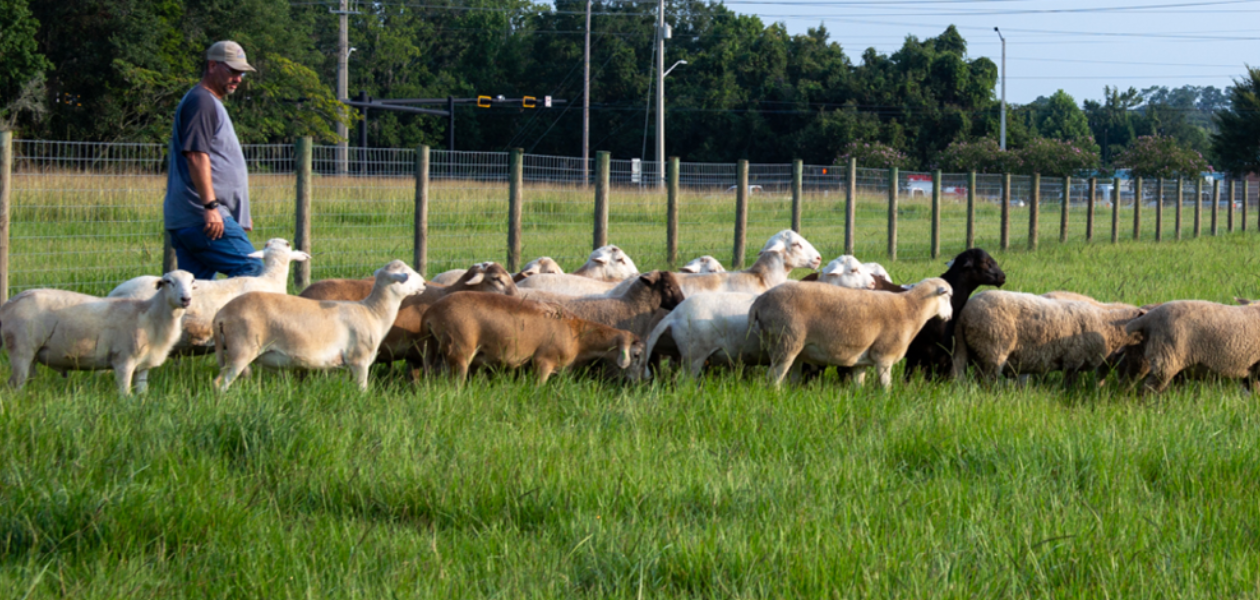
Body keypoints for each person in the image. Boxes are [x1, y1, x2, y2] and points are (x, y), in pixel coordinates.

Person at [163, 40, 263, 279]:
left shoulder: (207, 101)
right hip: (203, 217)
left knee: (194, 293)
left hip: (196, 217)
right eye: (232, 71)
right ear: (211, 65)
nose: (238, 78)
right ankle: (230, 318)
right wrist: (210, 207)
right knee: (254, 269)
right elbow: (197, 155)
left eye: (241, 73)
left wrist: (238, 211)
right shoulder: (202, 101)